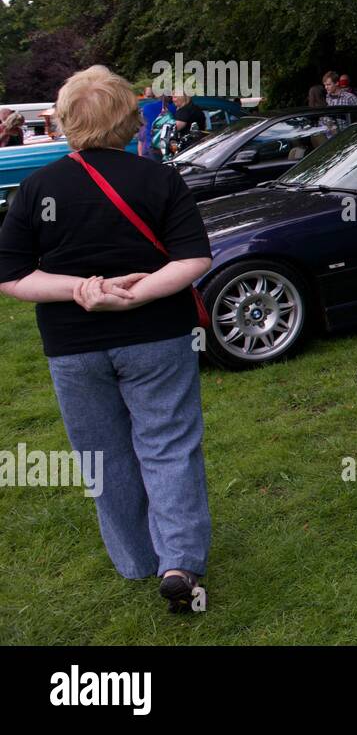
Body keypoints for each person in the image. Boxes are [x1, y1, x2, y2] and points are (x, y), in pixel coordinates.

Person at [0, 65, 214, 613]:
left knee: (102, 454)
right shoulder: (159, 179)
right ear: (127, 118)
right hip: (158, 337)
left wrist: (80, 290)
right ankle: (178, 563)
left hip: (75, 348)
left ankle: (138, 560)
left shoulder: (36, 187)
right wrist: (133, 294)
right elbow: (192, 259)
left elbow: (14, 276)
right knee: (168, 445)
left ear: (68, 120)